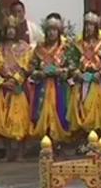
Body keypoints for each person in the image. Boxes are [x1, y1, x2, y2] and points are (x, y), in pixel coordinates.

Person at [0, 15, 33, 161]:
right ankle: (8, 152)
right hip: (2, 88)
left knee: (20, 120)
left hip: (18, 88)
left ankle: (20, 153)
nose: (10, 32)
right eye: (8, 29)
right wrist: (1, 81)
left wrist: (15, 80)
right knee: (2, 120)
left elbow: (27, 65)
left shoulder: (24, 47)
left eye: (13, 29)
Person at [29, 14, 72, 146]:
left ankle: (58, 142)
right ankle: (45, 140)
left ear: (59, 32)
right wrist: (39, 73)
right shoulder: (39, 48)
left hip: (59, 85)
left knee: (60, 111)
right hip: (43, 86)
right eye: (49, 29)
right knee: (41, 112)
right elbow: (31, 66)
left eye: (54, 30)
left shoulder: (65, 48)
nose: (52, 32)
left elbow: (72, 65)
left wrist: (61, 71)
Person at [72, 12, 101, 138]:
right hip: (82, 81)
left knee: (99, 108)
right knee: (82, 105)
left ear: (96, 27)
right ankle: (85, 137)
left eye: (92, 25)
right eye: (87, 25)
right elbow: (72, 62)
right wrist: (78, 73)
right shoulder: (78, 43)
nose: (89, 28)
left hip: (98, 81)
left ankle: (99, 135)